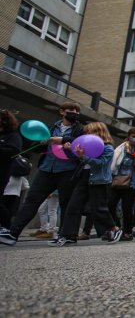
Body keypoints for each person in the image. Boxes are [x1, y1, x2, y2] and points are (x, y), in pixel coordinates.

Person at [1, 102, 84, 246]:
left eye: (77, 111)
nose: (75, 113)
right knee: (32, 201)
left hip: (68, 170)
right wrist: (43, 142)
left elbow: (83, 143)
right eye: (71, 110)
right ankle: (13, 233)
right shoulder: (53, 127)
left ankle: (67, 235)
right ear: (62, 112)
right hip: (47, 169)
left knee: (67, 204)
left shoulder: (80, 129)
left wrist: (64, 140)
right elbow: (36, 148)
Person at [49, 122, 123, 246]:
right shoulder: (86, 145)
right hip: (84, 178)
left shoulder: (108, 148)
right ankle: (67, 235)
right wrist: (71, 150)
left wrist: (83, 156)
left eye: (89, 132)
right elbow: (80, 159)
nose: (86, 135)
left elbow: (101, 163)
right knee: (72, 206)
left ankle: (114, 229)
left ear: (98, 132)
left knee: (98, 209)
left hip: (99, 181)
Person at [108, 127, 135, 241]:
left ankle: (127, 232)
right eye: (133, 136)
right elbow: (113, 163)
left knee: (127, 208)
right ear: (128, 136)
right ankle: (116, 227)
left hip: (133, 184)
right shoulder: (121, 148)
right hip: (117, 181)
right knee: (110, 204)